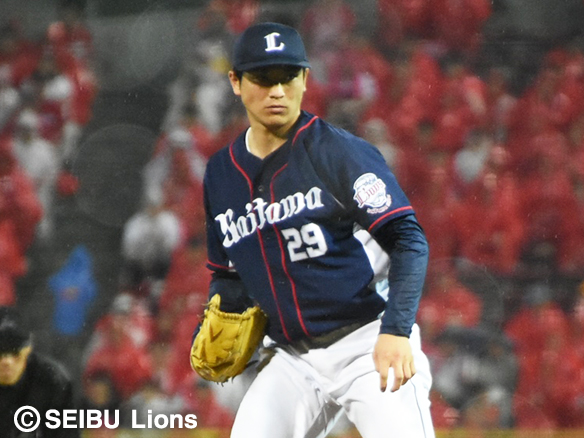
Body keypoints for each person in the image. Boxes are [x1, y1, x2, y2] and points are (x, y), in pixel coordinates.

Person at [195, 22, 435, 438]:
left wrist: (397, 330)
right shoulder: (220, 174)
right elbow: (228, 273)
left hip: (367, 339)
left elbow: (408, 240)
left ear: (305, 79)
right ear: (235, 82)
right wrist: (223, 312)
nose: (277, 91)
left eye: (288, 77)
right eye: (263, 78)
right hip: (291, 360)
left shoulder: (339, 153)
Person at [0, 306, 79, 437]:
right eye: (0, 354)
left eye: (15, 354)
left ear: (27, 351)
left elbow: (66, 433)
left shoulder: (52, 381)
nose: (7, 362)